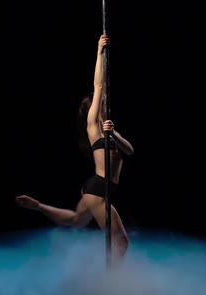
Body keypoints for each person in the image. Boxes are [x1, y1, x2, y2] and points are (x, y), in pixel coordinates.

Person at [15, 34, 134, 264]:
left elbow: (130, 151)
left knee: (76, 220)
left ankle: (38, 206)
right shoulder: (93, 126)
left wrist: (115, 134)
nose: (105, 102)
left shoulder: (109, 132)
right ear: (94, 109)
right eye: (101, 102)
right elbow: (99, 84)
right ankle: (111, 286)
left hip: (95, 187)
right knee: (121, 243)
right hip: (99, 190)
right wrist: (100, 51)